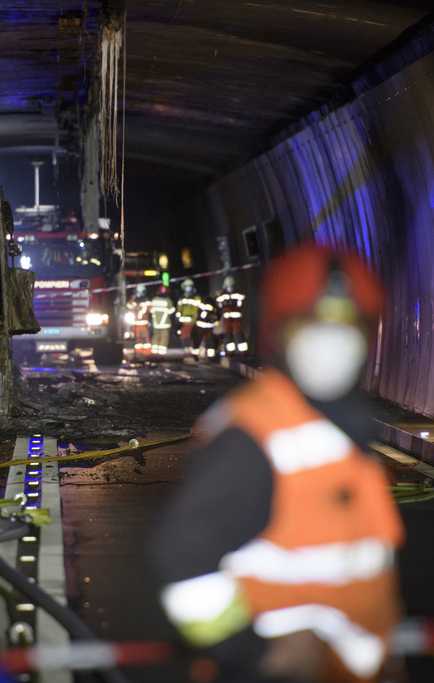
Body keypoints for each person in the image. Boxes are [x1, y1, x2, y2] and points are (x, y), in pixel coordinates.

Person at [149, 245, 404, 682]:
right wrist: (253, 651)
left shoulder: (339, 429)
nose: (332, 343)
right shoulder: (256, 436)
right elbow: (181, 555)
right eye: (313, 324)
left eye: (347, 326)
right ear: (280, 332)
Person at [177, 279, 213, 364]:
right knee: (184, 337)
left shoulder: (197, 297)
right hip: (184, 323)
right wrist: (178, 320)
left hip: (193, 322)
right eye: (186, 286)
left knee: (193, 338)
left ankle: (192, 354)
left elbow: (199, 310)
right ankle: (187, 353)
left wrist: (196, 318)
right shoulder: (182, 298)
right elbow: (179, 310)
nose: (188, 288)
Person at [216, 275, 249, 356]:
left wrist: (232, 305)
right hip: (227, 318)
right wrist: (225, 304)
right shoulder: (222, 294)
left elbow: (241, 304)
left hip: (236, 318)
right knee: (228, 334)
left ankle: (243, 351)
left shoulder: (238, 293)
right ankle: (230, 352)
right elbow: (219, 304)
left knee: (239, 333)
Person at [148, 284, 176, 361]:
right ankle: (161, 354)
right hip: (165, 324)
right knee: (164, 338)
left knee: (155, 337)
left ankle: (154, 353)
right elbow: (172, 313)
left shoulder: (154, 300)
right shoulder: (168, 301)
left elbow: (150, 312)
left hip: (156, 323)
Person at [128, 284, 152, 361]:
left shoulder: (146, 301)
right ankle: (139, 354)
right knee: (138, 340)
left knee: (145, 339)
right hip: (135, 324)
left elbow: (147, 310)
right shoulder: (135, 301)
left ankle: (147, 354)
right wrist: (133, 299)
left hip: (143, 324)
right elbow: (128, 305)